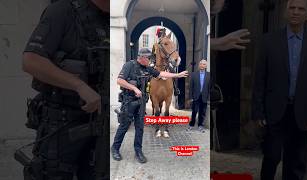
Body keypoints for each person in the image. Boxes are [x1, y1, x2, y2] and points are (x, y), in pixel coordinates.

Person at [21, 0, 108, 179]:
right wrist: (79, 85)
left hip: (101, 125)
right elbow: (31, 60)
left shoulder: (111, 20)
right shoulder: (63, 10)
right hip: (63, 126)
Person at [252, 0, 307, 179]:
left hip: (303, 114)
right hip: (274, 111)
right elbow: (260, 79)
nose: (296, 12)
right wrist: (258, 112)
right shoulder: (269, 41)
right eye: (292, 8)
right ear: (285, 12)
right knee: (271, 157)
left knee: (296, 163)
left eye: (301, 9)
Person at [111, 48, 188, 163]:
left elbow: (161, 73)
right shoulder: (129, 65)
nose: (150, 60)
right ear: (142, 58)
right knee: (124, 126)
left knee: (140, 128)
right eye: (148, 58)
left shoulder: (147, 68)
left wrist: (177, 75)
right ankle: (115, 149)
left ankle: (138, 151)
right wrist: (134, 88)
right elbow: (119, 80)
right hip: (129, 101)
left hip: (141, 102)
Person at [187, 60, 210, 133]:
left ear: (206, 66)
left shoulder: (209, 75)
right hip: (196, 96)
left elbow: (210, 87)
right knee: (194, 111)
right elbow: (191, 87)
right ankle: (191, 124)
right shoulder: (194, 74)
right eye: (200, 64)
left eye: (204, 64)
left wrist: (209, 97)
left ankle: (200, 126)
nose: (202, 65)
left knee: (202, 112)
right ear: (199, 65)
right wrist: (190, 97)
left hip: (205, 96)